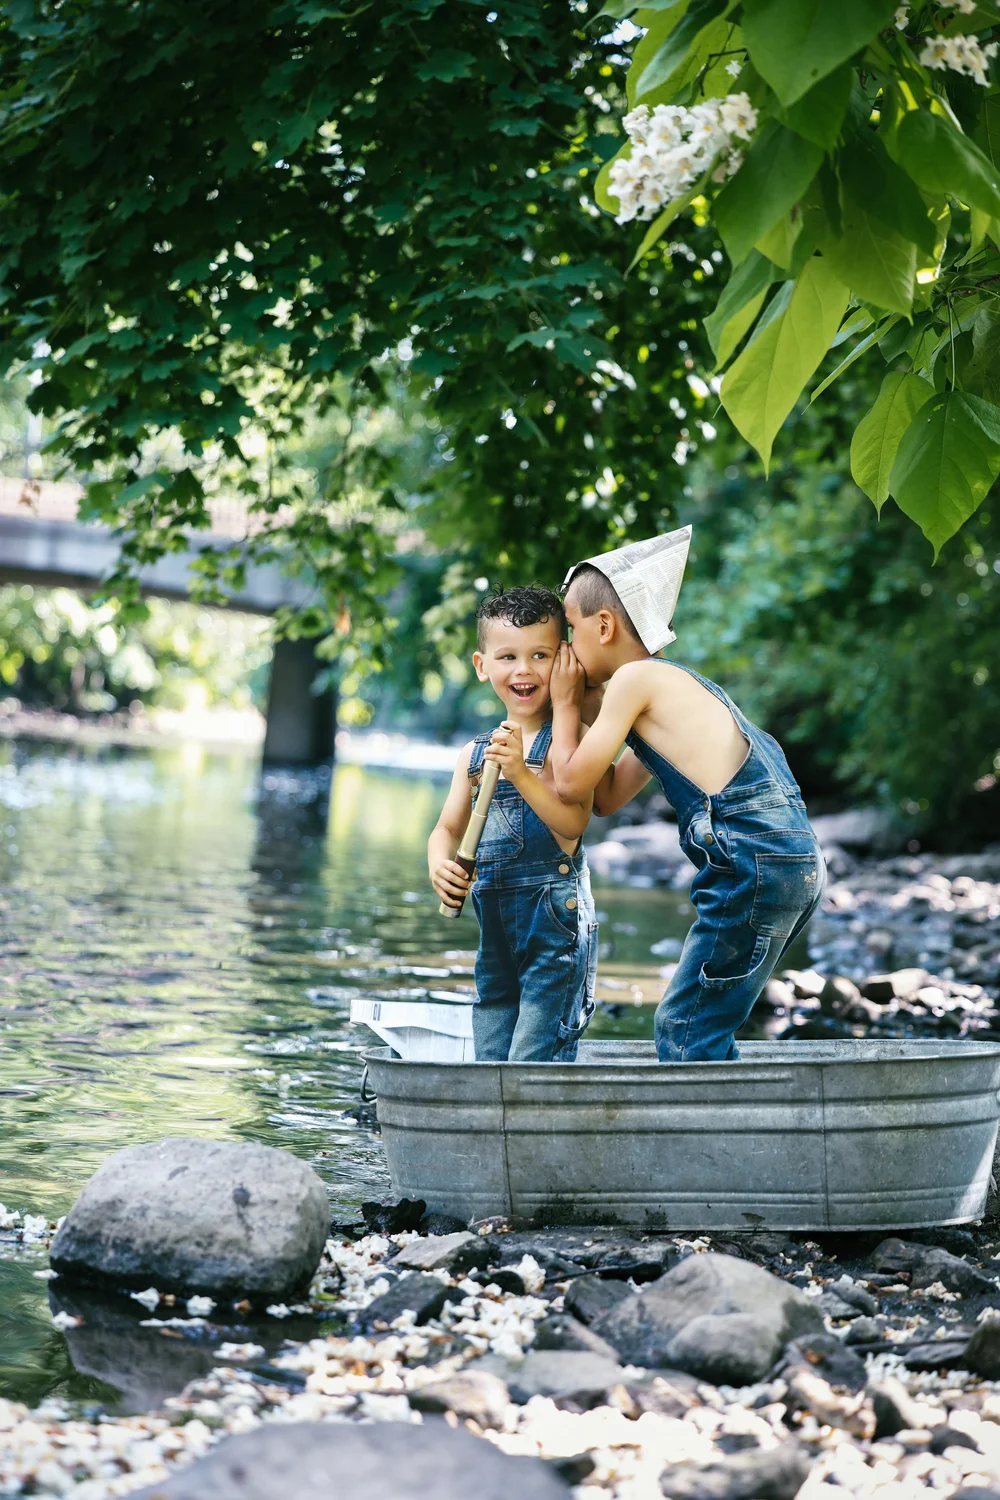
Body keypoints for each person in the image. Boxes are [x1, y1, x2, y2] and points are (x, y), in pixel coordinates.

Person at [550, 546, 825, 1064]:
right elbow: (605, 796)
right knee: (704, 1022)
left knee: (684, 1026)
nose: (568, 646)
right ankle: (742, 1124)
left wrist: (565, 703)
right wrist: (579, 706)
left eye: (571, 629)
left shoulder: (634, 681)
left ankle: (717, 1144)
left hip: (752, 866)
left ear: (604, 625)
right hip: (791, 865)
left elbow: (568, 785)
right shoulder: (675, 690)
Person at [428, 586, 597, 1062]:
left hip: (555, 936)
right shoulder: (476, 754)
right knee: (492, 1058)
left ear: (563, 660)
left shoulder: (571, 740)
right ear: (483, 666)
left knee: (533, 1065)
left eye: (540, 655)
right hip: (496, 938)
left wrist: (522, 772)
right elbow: (445, 829)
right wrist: (438, 864)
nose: (523, 670)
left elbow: (572, 824)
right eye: (508, 656)